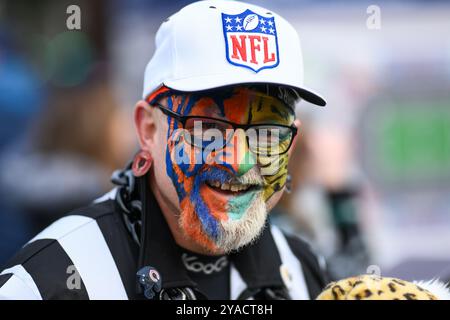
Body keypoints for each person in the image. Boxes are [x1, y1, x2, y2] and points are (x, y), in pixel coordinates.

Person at [0, 0, 327, 300]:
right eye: (208, 129)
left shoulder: (303, 271)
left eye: (266, 133)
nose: (239, 161)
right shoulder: (51, 280)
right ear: (147, 129)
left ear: (291, 143)